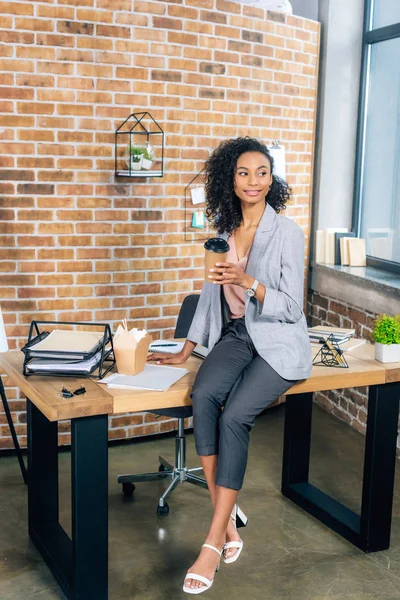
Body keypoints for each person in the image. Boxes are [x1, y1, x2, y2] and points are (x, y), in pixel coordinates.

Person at [148, 137, 312, 594]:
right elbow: (208, 295)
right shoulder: (224, 228)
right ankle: (229, 523)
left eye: (262, 172)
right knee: (203, 395)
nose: (253, 180)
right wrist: (186, 349)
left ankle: (211, 541)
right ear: (230, 178)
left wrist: (250, 281)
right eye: (243, 172)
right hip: (238, 336)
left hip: (278, 341)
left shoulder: (287, 232)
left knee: (236, 414)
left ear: (271, 178)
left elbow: (292, 308)